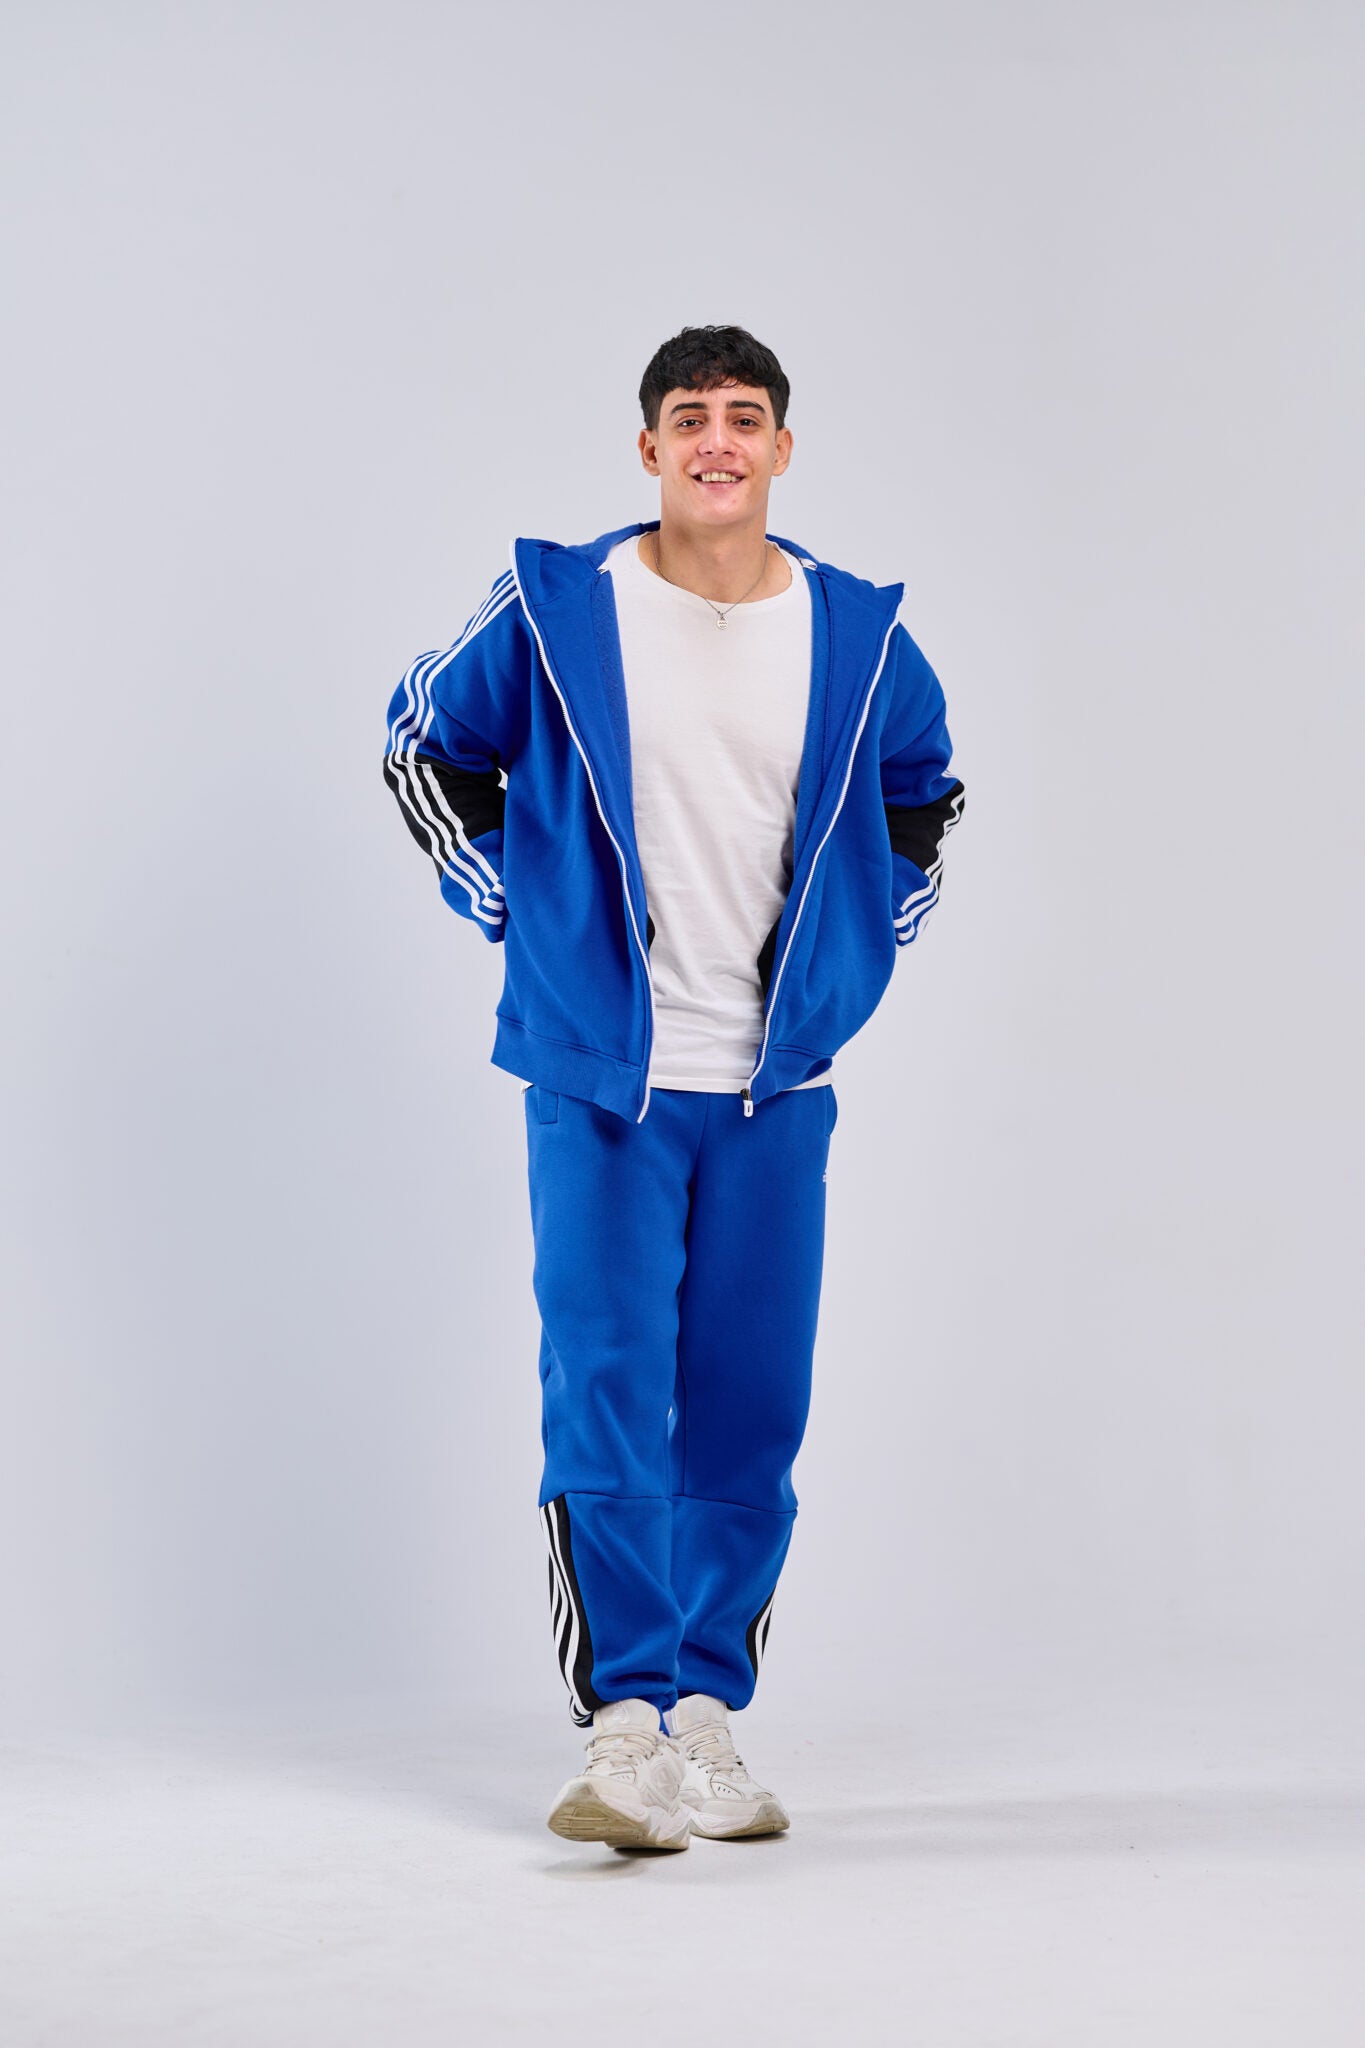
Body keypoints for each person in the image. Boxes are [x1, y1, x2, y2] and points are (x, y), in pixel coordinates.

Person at [382, 325, 965, 1852]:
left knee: (750, 1404)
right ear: (647, 449)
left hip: (775, 1088)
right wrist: (523, 917)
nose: (717, 440)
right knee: (608, 1383)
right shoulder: (560, 605)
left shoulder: (854, 633)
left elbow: (923, 799)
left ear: (781, 449)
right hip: (602, 1083)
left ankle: (708, 1717)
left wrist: (849, 963)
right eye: (689, 417)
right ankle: (624, 1724)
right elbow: (422, 746)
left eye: (744, 417)